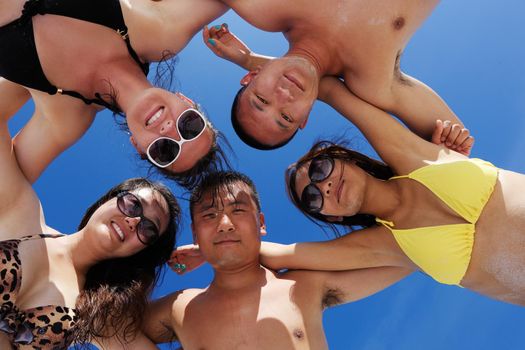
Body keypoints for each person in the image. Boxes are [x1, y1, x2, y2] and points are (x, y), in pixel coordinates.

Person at [259, 77, 525, 306]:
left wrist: (249, 63)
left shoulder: (412, 155)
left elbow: (328, 87)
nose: (324, 186)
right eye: (312, 197)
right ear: (331, 217)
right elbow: (274, 253)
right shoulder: (385, 246)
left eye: (320, 169)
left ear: (344, 158)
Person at [116, 171, 410, 349]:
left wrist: (262, 251)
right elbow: (108, 327)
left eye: (239, 211)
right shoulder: (181, 306)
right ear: (195, 233)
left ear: (261, 222)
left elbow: (405, 254)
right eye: (209, 215)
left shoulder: (304, 284)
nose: (225, 224)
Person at [0, 98, 181, 348]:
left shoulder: (99, 315)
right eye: (132, 204)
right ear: (106, 201)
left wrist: (223, 251)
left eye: (149, 228)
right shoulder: (23, 213)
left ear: (141, 250)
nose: (134, 220)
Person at [1, 0, 231, 189]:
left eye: (165, 150)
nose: (170, 129)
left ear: (138, 146)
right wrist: (252, 62)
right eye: (190, 126)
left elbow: (9, 191)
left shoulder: (67, 119)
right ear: (186, 101)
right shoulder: (161, 28)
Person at [203, 1, 474, 154]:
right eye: (286, 117)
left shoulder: (267, 9)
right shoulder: (371, 81)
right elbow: (455, 138)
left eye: (261, 99)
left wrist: (249, 57)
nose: (283, 97)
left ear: (251, 76)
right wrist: (447, 146)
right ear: (306, 116)